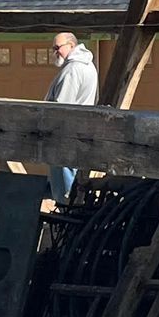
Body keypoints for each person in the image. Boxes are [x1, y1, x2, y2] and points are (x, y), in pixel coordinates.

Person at [44, 30, 98, 199]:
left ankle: (65, 209)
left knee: (64, 181)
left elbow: (61, 106)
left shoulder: (73, 69)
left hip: (64, 133)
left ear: (71, 45)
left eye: (57, 47)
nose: (55, 52)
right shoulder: (88, 66)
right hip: (79, 131)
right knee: (71, 174)